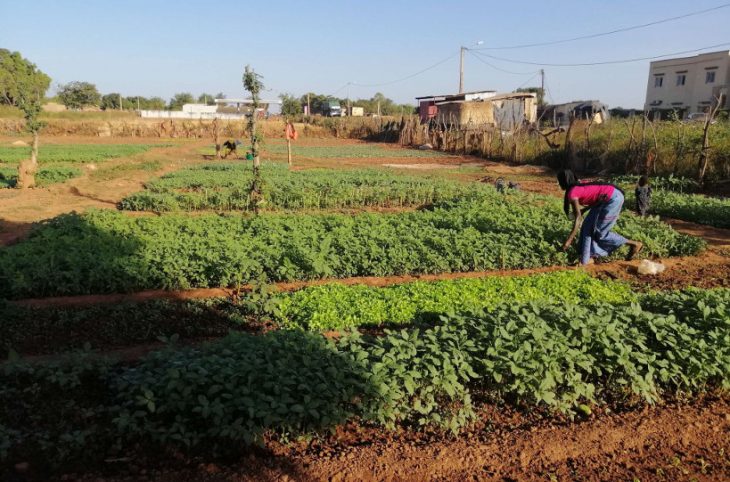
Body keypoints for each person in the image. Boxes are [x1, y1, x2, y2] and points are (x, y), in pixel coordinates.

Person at [557, 169, 643, 265]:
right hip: (603, 200)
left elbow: (578, 218)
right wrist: (583, 211)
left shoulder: (572, 192)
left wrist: (569, 240)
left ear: (564, 181)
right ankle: (586, 259)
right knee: (587, 226)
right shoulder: (577, 184)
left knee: (600, 233)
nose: (559, 184)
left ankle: (634, 244)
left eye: (559, 181)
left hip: (613, 199)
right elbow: (595, 197)